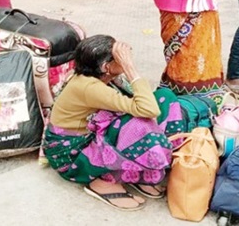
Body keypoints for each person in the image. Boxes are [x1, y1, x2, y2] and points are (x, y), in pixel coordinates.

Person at [44, 35, 182, 211]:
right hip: (73, 156)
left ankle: (141, 170)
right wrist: (130, 68)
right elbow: (148, 110)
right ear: (106, 67)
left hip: (93, 133)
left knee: (165, 98)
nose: (126, 59)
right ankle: (104, 181)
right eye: (120, 57)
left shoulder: (106, 78)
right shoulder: (90, 87)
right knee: (138, 125)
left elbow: (147, 102)